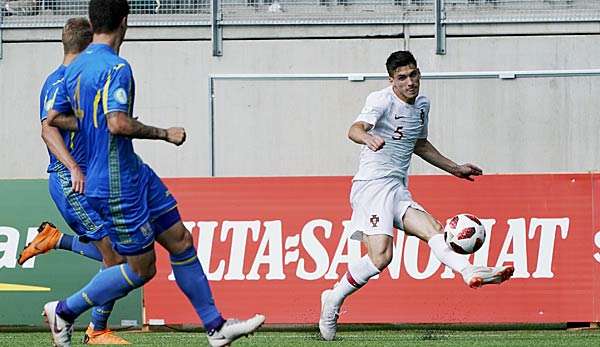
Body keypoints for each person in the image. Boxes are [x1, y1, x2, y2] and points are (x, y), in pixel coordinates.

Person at [43, 1, 264, 346]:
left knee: (181, 240)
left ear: (92, 20)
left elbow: (53, 119)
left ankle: (215, 326)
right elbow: (117, 123)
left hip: (134, 173)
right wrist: (164, 133)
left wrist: (90, 126)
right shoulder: (117, 67)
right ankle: (64, 311)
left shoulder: (74, 68)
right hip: (115, 185)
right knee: (141, 269)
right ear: (125, 22)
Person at [318, 50, 514, 341]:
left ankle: (470, 271)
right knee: (381, 257)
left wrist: (454, 168)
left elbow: (419, 144)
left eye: (414, 75)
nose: (410, 82)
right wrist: (368, 137)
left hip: (396, 186)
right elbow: (354, 129)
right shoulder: (380, 100)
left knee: (435, 229)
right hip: (371, 186)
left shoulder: (423, 104)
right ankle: (333, 299)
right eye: (402, 78)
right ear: (392, 80)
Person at [19, 17, 130, 345]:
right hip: (72, 182)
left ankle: (56, 240)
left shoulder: (67, 77)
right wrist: (74, 169)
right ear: (86, 46)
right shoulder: (63, 82)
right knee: (118, 258)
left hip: (86, 180)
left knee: (119, 252)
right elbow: (48, 129)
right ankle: (95, 328)